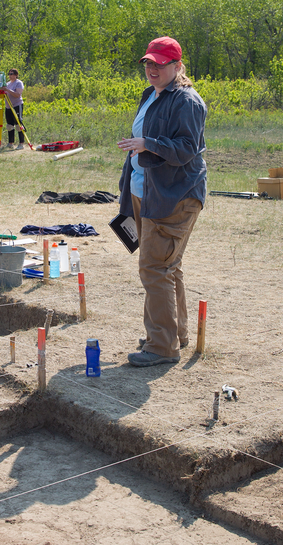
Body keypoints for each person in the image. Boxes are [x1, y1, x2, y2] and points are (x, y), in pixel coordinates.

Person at [116, 36, 208, 367]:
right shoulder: (151, 95)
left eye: (160, 64)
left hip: (174, 195)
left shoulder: (187, 102)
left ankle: (161, 347)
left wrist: (149, 143)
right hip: (148, 191)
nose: (152, 69)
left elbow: (185, 149)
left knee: (155, 268)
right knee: (168, 266)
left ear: (177, 66)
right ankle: (174, 334)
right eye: (149, 63)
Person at [2, 68, 26, 150]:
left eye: (11, 74)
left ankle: (21, 143)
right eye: (9, 74)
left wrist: (7, 90)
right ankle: (10, 143)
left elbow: (17, 94)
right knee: (9, 125)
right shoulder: (7, 84)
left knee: (18, 125)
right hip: (8, 106)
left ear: (16, 75)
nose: (10, 75)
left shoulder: (19, 83)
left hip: (16, 105)